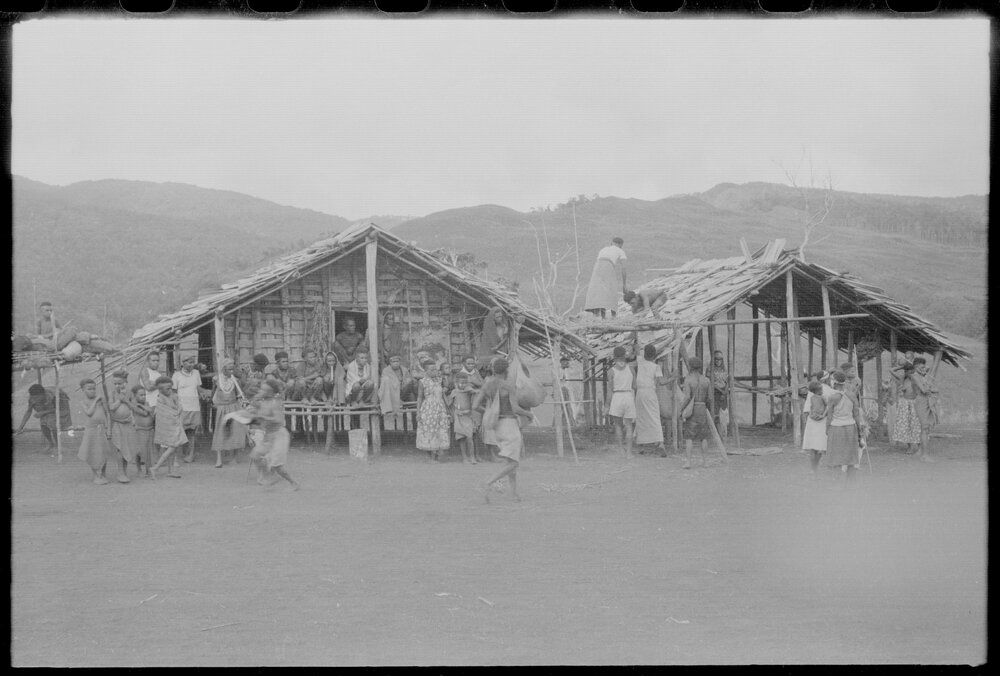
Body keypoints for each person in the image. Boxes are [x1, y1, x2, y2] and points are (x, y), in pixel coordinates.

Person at [473, 357, 533, 502]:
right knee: (514, 463)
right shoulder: (508, 386)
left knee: (509, 461)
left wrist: (490, 411)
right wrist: (529, 414)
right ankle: (487, 483)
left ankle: (513, 494)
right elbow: (515, 408)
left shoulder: (487, 385)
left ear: (493, 369)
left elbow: (475, 406)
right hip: (509, 424)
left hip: (497, 426)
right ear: (506, 370)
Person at [248, 379, 299, 490]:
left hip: (279, 435)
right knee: (255, 455)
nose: (261, 391)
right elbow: (253, 407)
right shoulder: (261, 402)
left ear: (270, 392)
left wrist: (262, 418)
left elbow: (278, 420)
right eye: (261, 389)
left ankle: (293, 483)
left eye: (264, 390)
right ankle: (268, 475)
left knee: (277, 466)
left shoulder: (275, 403)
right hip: (268, 435)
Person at [824, 370, 868, 482]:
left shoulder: (832, 397)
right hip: (850, 428)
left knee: (836, 456)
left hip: (836, 428)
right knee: (851, 457)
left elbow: (829, 416)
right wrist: (859, 431)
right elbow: (856, 415)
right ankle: (850, 484)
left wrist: (827, 429)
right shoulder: (852, 395)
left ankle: (838, 483)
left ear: (834, 382)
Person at [210, 359, 248, 468]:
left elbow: (239, 395)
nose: (231, 371)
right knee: (220, 432)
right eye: (229, 369)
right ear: (223, 369)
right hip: (221, 408)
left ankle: (234, 458)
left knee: (235, 431)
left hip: (233, 407)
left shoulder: (235, 380)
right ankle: (219, 459)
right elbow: (214, 393)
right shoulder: (216, 379)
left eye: (232, 369)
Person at [76, 378, 114, 485]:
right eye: (89, 389)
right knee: (92, 452)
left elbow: (107, 414)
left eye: (94, 389)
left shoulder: (101, 401)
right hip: (91, 430)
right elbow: (89, 413)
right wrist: (95, 400)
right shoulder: (83, 402)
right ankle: (95, 475)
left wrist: (109, 428)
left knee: (103, 452)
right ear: (83, 390)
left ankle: (103, 474)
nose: (92, 391)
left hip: (101, 429)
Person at [149, 376, 187, 479]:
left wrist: (178, 408)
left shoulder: (174, 396)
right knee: (171, 448)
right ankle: (155, 467)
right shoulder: (160, 399)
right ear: (160, 390)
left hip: (175, 426)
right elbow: (164, 415)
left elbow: (179, 408)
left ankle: (170, 471)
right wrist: (176, 412)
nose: (170, 390)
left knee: (173, 450)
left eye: (171, 388)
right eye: (167, 389)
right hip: (167, 427)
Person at [172, 355, 208, 463]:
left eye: (193, 362)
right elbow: (173, 392)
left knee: (192, 432)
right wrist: (175, 406)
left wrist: (203, 393)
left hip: (194, 407)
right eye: (189, 362)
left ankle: (190, 455)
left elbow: (197, 387)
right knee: (180, 431)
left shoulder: (196, 373)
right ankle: (177, 456)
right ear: (183, 363)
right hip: (182, 407)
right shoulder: (176, 375)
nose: (191, 364)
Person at [678, 356, 712, 470]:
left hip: (692, 409)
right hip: (702, 408)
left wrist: (681, 410)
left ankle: (688, 462)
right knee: (703, 437)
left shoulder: (688, 380)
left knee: (689, 437)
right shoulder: (706, 380)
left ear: (690, 367)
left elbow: (687, 397)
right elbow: (710, 398)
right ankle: (706, 461)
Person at [635, 344, 667, 457]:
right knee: (654, 417)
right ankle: (660, 443)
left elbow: (637, 350)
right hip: (649, 393)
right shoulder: (656, 367)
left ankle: (641, 445)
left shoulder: (640, 362)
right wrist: (673, 377)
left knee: (641, 417)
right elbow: (661, 382)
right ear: (654, 355)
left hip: (639, 393)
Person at [584, 237, 627, 318]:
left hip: (597, 267)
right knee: (612, 289)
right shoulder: (620, 251)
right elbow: (624, 268)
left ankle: (598, 315)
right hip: (608, 266)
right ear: (621, 245)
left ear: (611, 243)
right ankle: (613, 316)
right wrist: (624, 285)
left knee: (598, 291)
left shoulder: (603, 249)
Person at [605, 346, 637, 458]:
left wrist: (607, 405)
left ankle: (621, 450)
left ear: (614, 357)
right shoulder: (631, 369)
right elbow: (634, 386)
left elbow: (610, 390)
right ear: (625, 356)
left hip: (617, 396)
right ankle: (629, 452)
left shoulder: (611, 371)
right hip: (628, 395)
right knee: (629, 426)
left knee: (617, 425)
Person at [416, 361, 451, 461]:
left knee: (440, 430)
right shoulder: (422, 382)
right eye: (431, 370)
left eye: (435, 369)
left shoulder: (439, 380)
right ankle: (431, 455)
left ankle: (436, 454)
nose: (434, 371)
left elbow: (446, 387)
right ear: (425, 371)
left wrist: (443, 378)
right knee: (430, 431)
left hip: (440, 408)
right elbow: (419, 397)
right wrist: (418, 412)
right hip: (428, 409)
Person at [107, 370, 137, 482]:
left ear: (126, 382)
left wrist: (127, 402)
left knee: (127, 448)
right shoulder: (112, 393)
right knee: (119, 448)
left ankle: (124, 472)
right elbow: (111, 408)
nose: (117, 386)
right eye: (115, 383)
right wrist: (120, 399)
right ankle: (120, 472)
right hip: (118, 424)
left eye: (120, 383)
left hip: (128, 424)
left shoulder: (129, 392)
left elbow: (134, 407)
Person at [911, 357, 940, 462]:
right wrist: (931, 389)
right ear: (916, 367)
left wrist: (924, 374)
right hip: (921, 402)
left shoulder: (922, 376)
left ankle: (920, 451)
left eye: (924, 366)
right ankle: (925, 455)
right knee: (924, 427)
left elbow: (929, 388)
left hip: (926, 401)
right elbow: (924, 390)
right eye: (921, 367)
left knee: (926, 428)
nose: (924, 369)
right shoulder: (914, 376)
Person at [889, 360, 922, 455]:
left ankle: (920, 447)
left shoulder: (917, 379)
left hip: (915, 404)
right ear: (905, 372)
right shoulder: (903, 379)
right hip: (904, 404)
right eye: (908, 372)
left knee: (916, 425)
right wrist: (901, 367)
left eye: (912, 371)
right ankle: (910, 447)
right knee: (905, 425)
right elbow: (891, 370)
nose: (910, 373)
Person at [15, 384, 58, 452]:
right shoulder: (31, 398)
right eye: (33, 397)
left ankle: (58, 446)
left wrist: (42, 413)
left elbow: (58, 409)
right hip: (44, 412)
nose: (34, 399)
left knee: (52, 424)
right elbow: (29, 411)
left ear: (43, 394)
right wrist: (21, 426)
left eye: (36, 397)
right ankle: (51, 444)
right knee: (43, 425)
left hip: (55, 412)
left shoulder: (51, 396)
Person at [447, 370, 477, 463]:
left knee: (469, 437)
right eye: (461, 383)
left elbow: (476, 394)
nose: (463, 385)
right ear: (456, 383)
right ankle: (464, 457)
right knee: (461, 438)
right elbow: (449, 404)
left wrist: (472, 390)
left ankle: (472, 457)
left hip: (468, 416)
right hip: (458, 417)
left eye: (465, 383)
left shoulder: (469, 391)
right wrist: (455, 411)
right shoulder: (454, 392)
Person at [377, 354, 413, 429]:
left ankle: (415, 426)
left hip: (403, 391)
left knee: (411, 384)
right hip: (392, 392)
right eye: (393, 361)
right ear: (390, 362)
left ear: (400, 361)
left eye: (397, 361)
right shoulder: (386, 370)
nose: (396, 363)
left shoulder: (404, 369)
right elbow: (384, 384)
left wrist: (405, 383)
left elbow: (408, 380)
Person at [802, 380, 828, 479]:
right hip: (819, 422)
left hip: (813, 421)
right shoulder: (822, 396)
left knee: (815, 447)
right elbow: (828, 407)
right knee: (817, 446)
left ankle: (814, 469)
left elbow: (806, 411)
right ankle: (814, 469)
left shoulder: (811, 396)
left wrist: (810, 417)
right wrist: (823, 415)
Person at [130, 385, 155, 479]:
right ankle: (139, 469)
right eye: (141, 395)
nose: (143, 397)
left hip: (149, 430)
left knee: (148, 451)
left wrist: (141, 405)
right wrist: (143, 407)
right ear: (135, 396)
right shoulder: (133, 405)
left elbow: (151, 410)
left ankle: (148, 470)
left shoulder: (146, 403)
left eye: (144, 395)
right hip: (139, 430)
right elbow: (144, 413)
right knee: (139, 451)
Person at [708, 350, 729, 431]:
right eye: (716, 359)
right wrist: (721, 391)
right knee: (715, 413)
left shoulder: (724, 369)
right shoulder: (710, 369)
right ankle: (716, 432)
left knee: (723, 413)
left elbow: (727, 381)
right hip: (715, 392)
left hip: (724, 392)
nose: (718, 361)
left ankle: (723, 432)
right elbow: (711, 382)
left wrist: (725, 392)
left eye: (720, 359)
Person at [138, 351, 163, 418]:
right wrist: (160, 383)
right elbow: (148, 388)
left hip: (158, 403)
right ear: (148, 361)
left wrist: (155, 383)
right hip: (148, 403)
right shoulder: (145, 371)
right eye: (153, 360)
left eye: (157, 360)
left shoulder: (158, 374)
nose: (156, 363)